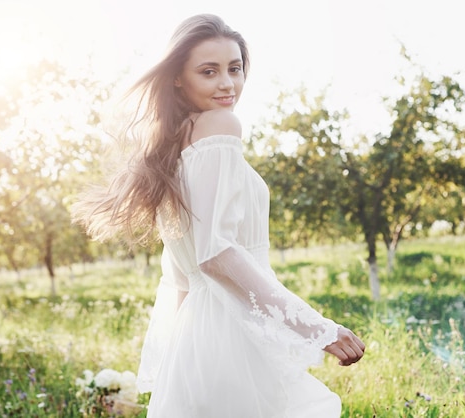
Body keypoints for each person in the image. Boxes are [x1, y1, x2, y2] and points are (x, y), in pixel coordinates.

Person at [72, 13, 365, 418]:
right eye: (209, 72)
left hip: (198, 335)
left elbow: (181, 274)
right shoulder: (219, 125)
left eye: (235, 68)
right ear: (178, 77)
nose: (227, 84)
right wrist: (317, 329)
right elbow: (216, 253)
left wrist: (182, 358)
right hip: (230, 334)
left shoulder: (171, 147)